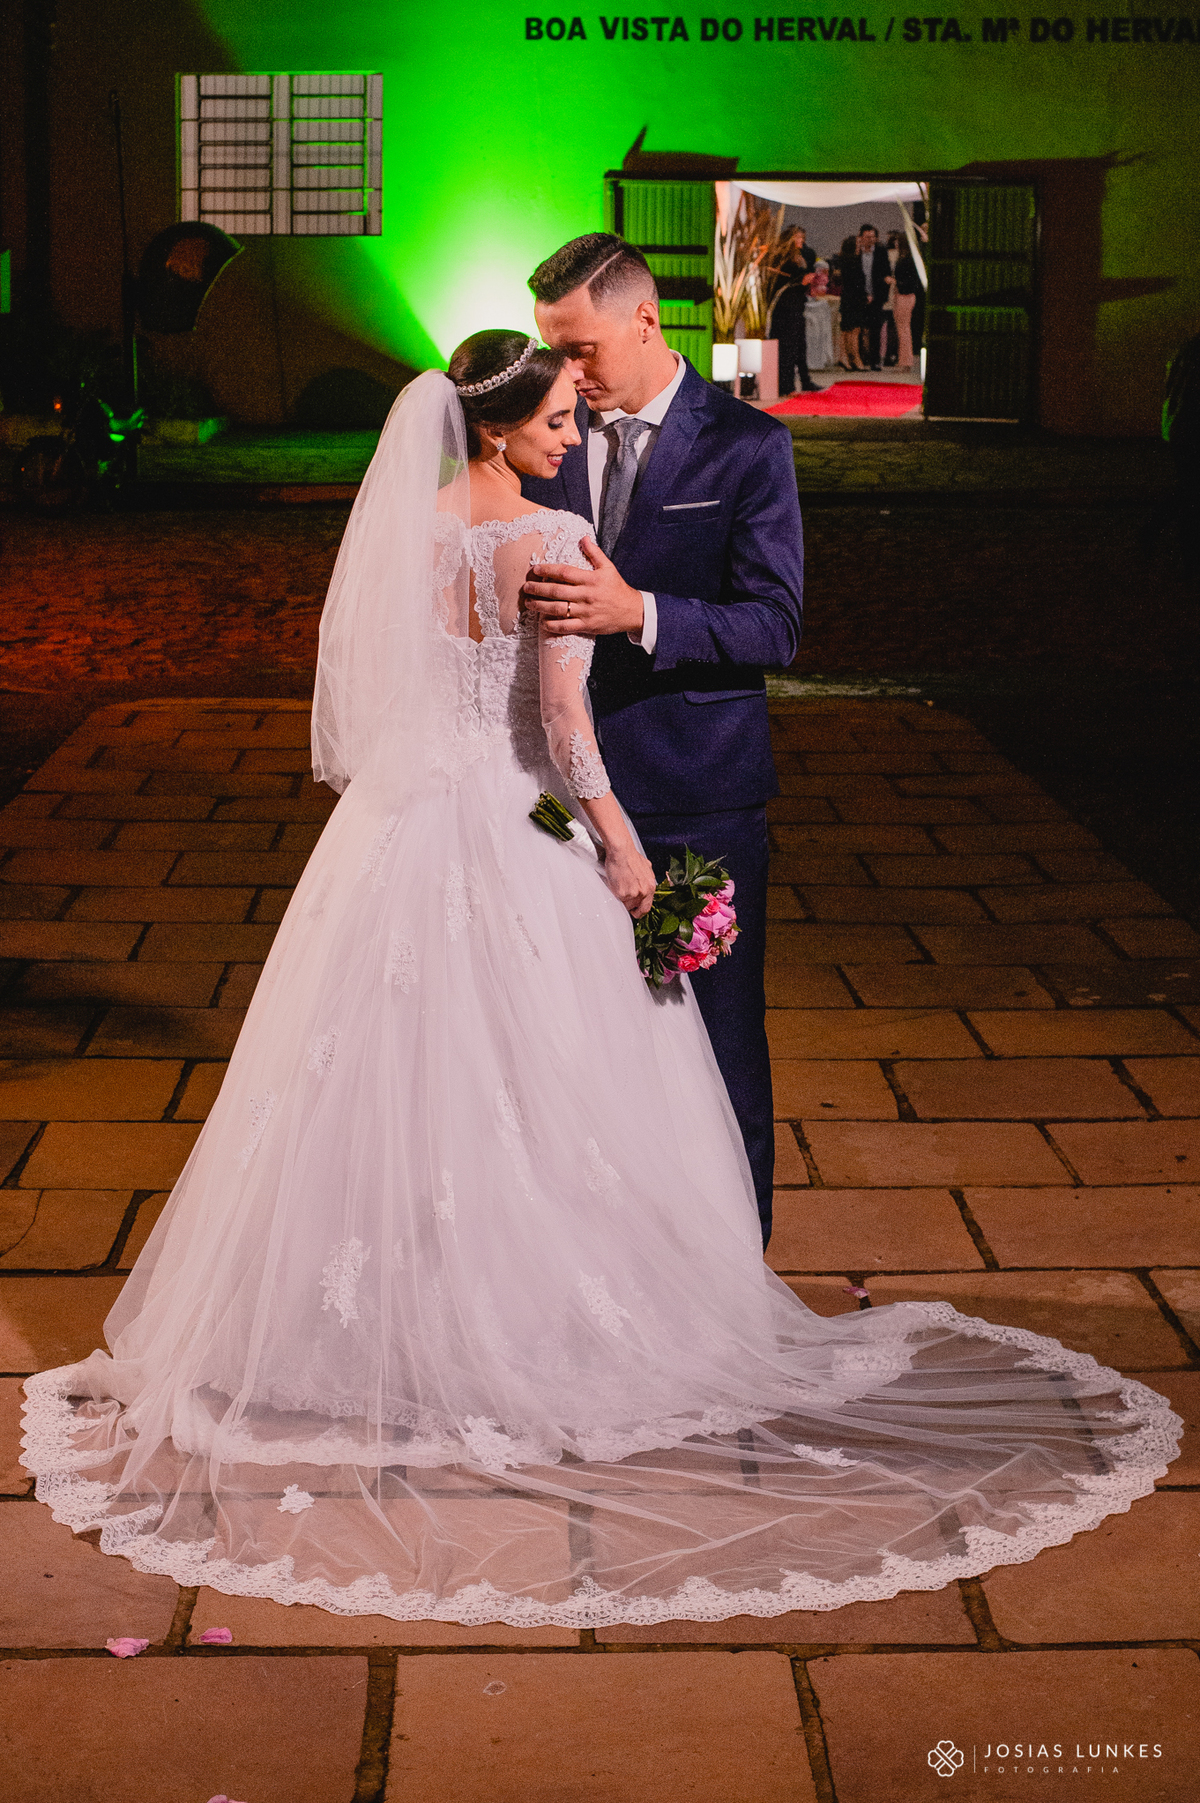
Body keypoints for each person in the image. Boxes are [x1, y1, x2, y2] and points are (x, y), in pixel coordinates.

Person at [21, 332, 1182, 1635]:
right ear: (498, 425)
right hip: (519, 829)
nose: (573, 439)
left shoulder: (404, 533)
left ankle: (375, 1327)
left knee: (389, 1078)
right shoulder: (553, 539)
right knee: (552, 1079)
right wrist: (626, 850)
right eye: (558, 421)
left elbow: (383, 702)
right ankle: (533, 1329)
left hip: (397, 835)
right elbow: (566, 731)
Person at [519, 233, 804, 1243]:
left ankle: (737, 1275)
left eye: (582, 349)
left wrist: (639, 612)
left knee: (717, 1046)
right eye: (555, 351)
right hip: (557, 807)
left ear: (645, 320)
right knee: (575, 1054)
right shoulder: (545, 438)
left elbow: (776, 624)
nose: (569, 373)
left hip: (694, 798)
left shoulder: (746, 446)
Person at [768, 225, 822, 396]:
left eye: (802, 238)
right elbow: (781, 282)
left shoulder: (802, 256)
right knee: (787, 348)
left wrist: (807, 282)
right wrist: (801, 281)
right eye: (798, 238)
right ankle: (786, 385)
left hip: (797, 304)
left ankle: (805, 381)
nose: (801, 241)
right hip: (785, 307)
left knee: (800, 346)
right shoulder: (781, 257)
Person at [845, 223, 892, 370]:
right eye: (867, 237)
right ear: (861, 237)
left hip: (876, 295)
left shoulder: (880, 252)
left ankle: (874, 360)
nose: (870, 240)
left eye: (872, 237)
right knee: (858, 328)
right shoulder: (856, 253)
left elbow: (886, 272)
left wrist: (880, 292)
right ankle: (860, 358)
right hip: (859, 296)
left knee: (875, 329)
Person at [835, 233, 867, 369]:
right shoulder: (854, 262)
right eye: (858, 244)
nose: (860, 246)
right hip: (854, 298)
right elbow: (857, 283)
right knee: (854, 329)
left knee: (848, 329)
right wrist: (864, 296)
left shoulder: (844, 261)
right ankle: (855, 358)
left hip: (848, 297)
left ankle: (847, 357)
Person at [892, 241, 922, 373]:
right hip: (907, 296)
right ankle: (904, 360)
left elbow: (908, 281)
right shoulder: (911, 260)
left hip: (904, 296)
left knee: (903, 329)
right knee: (904, 329)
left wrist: (896, 282)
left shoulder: (906, 261)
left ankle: (905, 361)